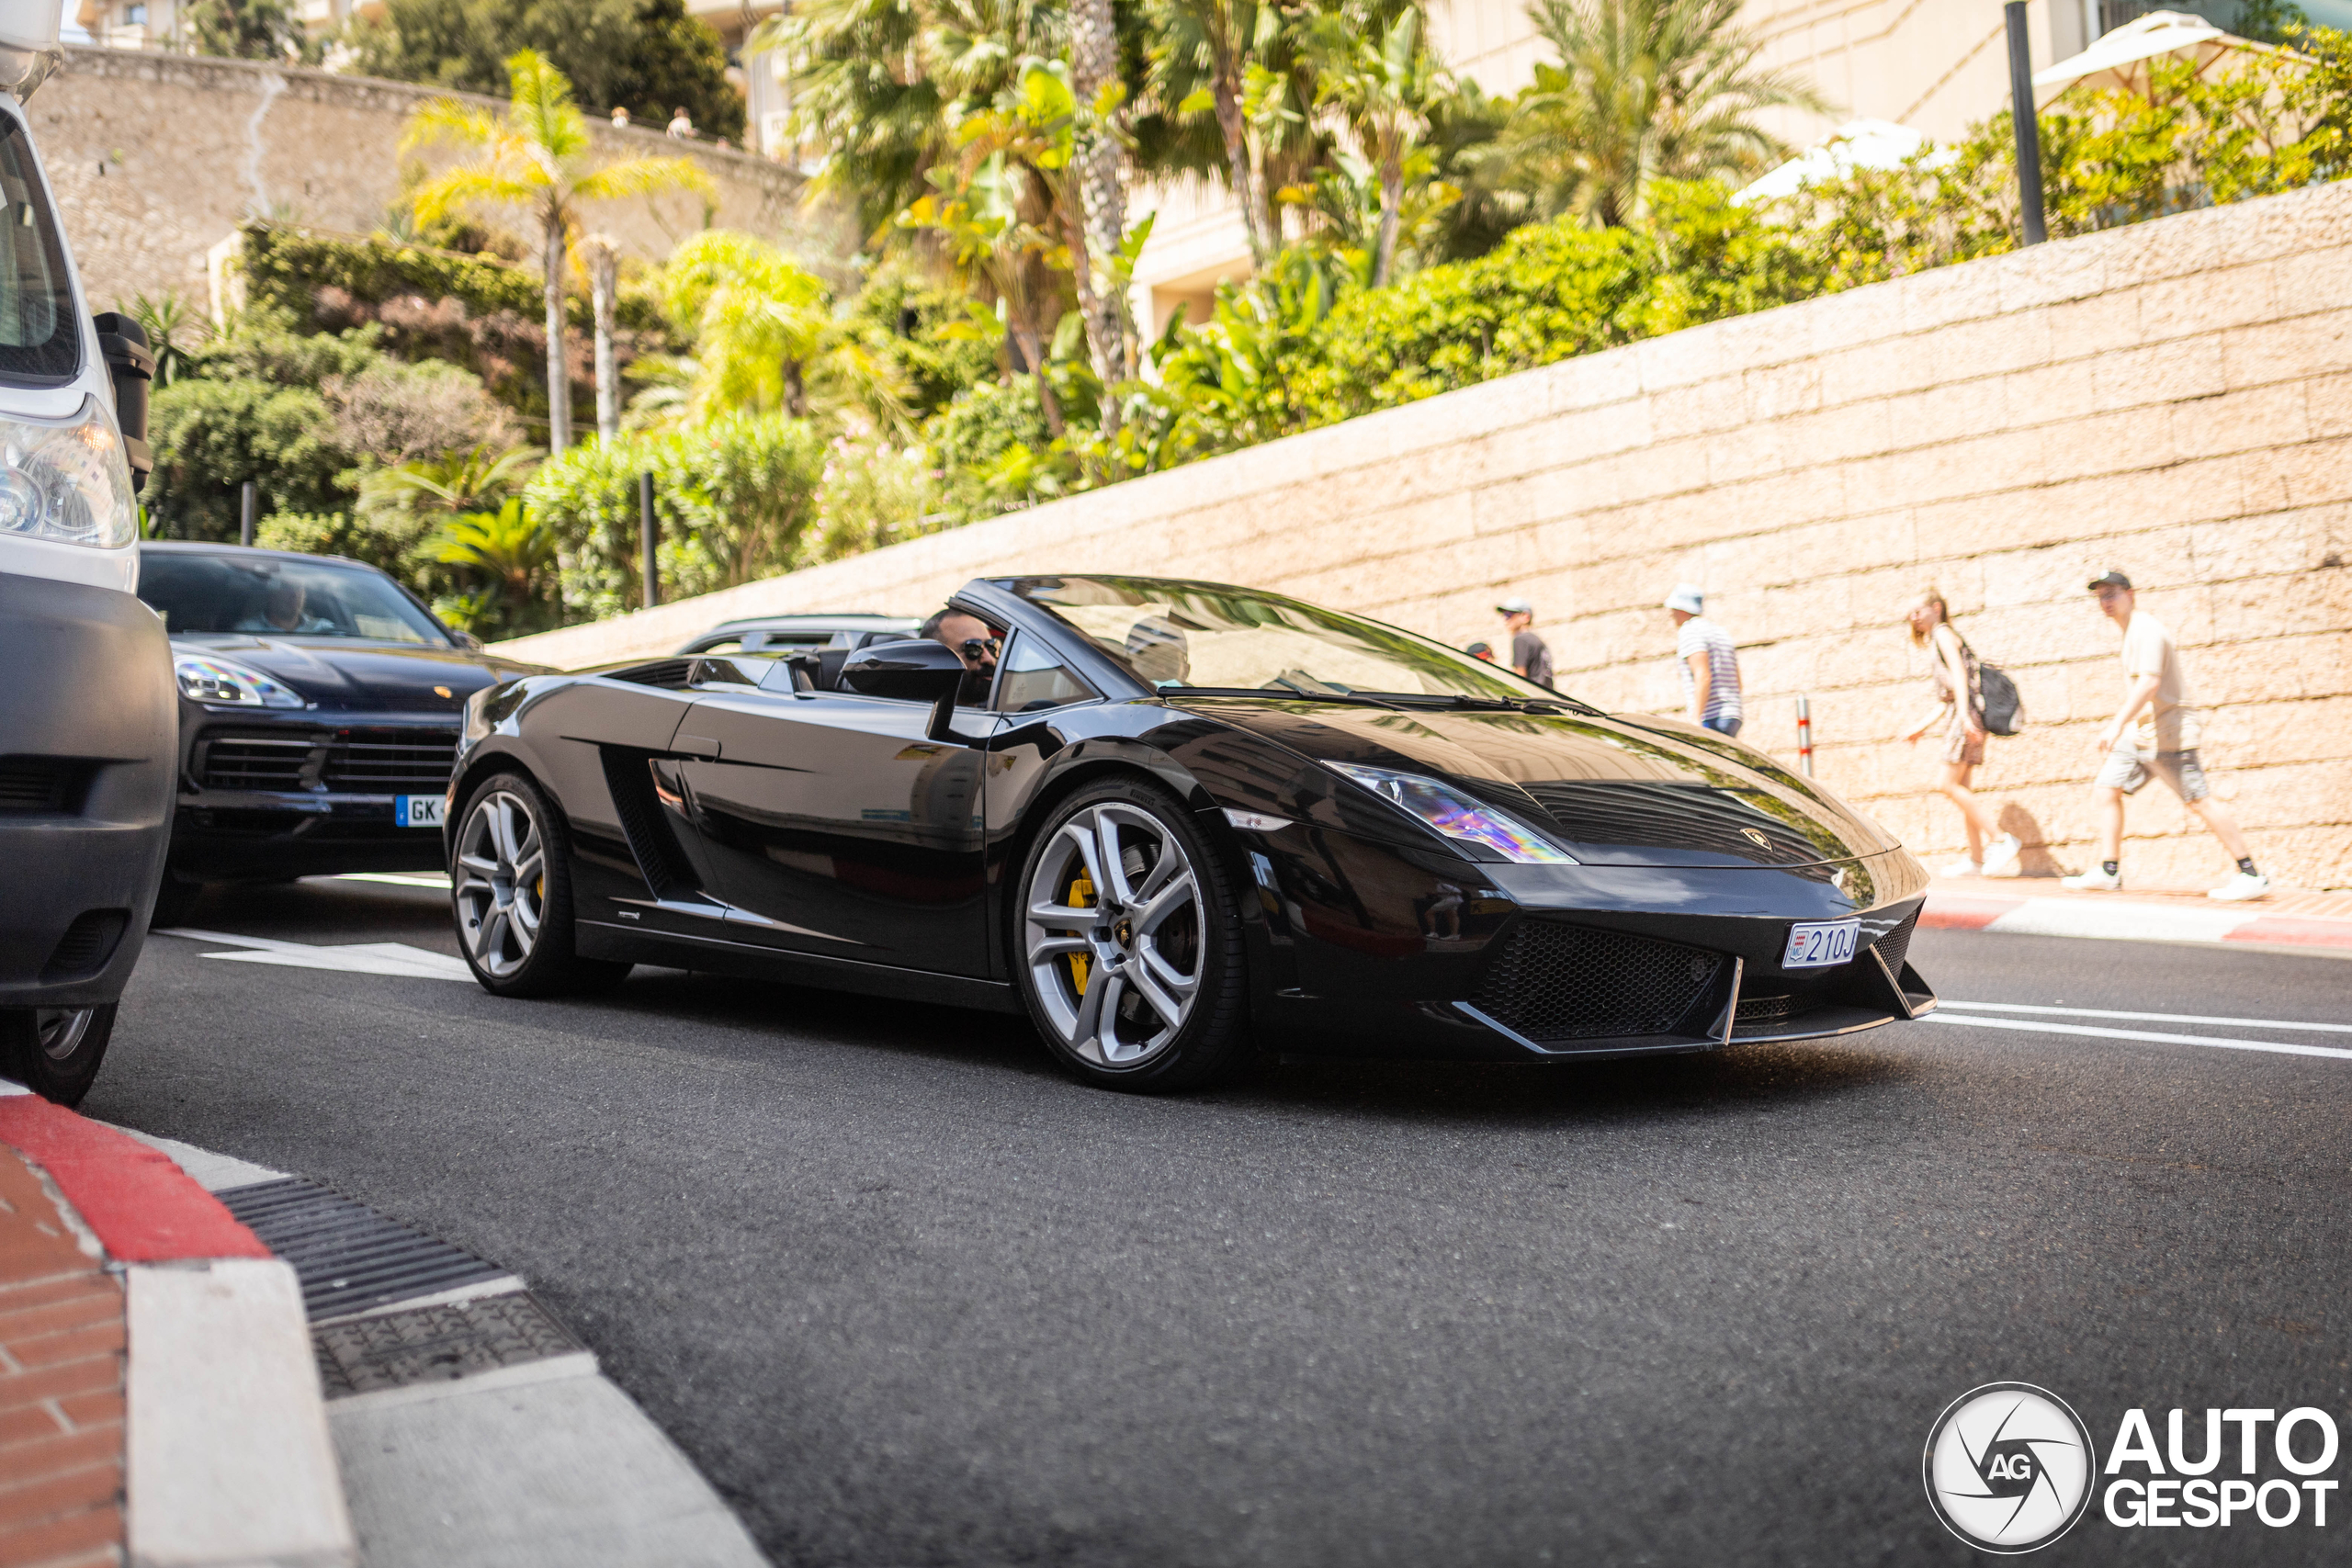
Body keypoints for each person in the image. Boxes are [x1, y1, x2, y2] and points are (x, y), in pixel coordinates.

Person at [2063, 570, 2267, 899]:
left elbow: (2149, 682)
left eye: (2112, 594)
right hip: (2141, 734)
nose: (2106, 602)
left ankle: (2251, 874)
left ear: (2132, 594)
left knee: (2198, 799)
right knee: (2106, 789)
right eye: (2101, 596)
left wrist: (2115, 724)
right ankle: (2109, 871)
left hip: (2168, 734)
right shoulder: (2130, 631)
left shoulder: (2147, 630)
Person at [1899, 588, 2020, 877]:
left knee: (1947, 784)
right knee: (1962, 787)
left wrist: (1965, 716)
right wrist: (1921, 727)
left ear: (1936, 608)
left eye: (1919, 610)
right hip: (1964, 714)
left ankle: (2001, 840)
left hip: (1965, 716)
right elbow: (1948, 697)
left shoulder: (1942, 633)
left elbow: (1959, 677)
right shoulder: (1940, 637)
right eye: (1911, 613)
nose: (1913, 618)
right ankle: (1977, 859)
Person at [1664, 585, 1742, 737]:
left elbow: (1703, 675)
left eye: (1673, 609)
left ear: (1682, 609)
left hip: (1712, 716)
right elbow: (1738, 682)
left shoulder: (1690, 631)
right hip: (1733, 714)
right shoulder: (1719, 632)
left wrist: (1695, 718)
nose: (1671, 615)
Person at [922, 607, 1000, 705]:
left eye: (992, 646)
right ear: (934, 659)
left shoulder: (1006, 714)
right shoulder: (911, 715)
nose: (989, 659)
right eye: (973, 648)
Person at [1495, 598, 1554, 688]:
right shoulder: (1536, 640)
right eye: (1503, 615)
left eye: (1509, 614)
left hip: (1532, 697)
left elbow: (1520, 676)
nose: (1505, 619)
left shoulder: (1521, 639)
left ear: (1525, 616)